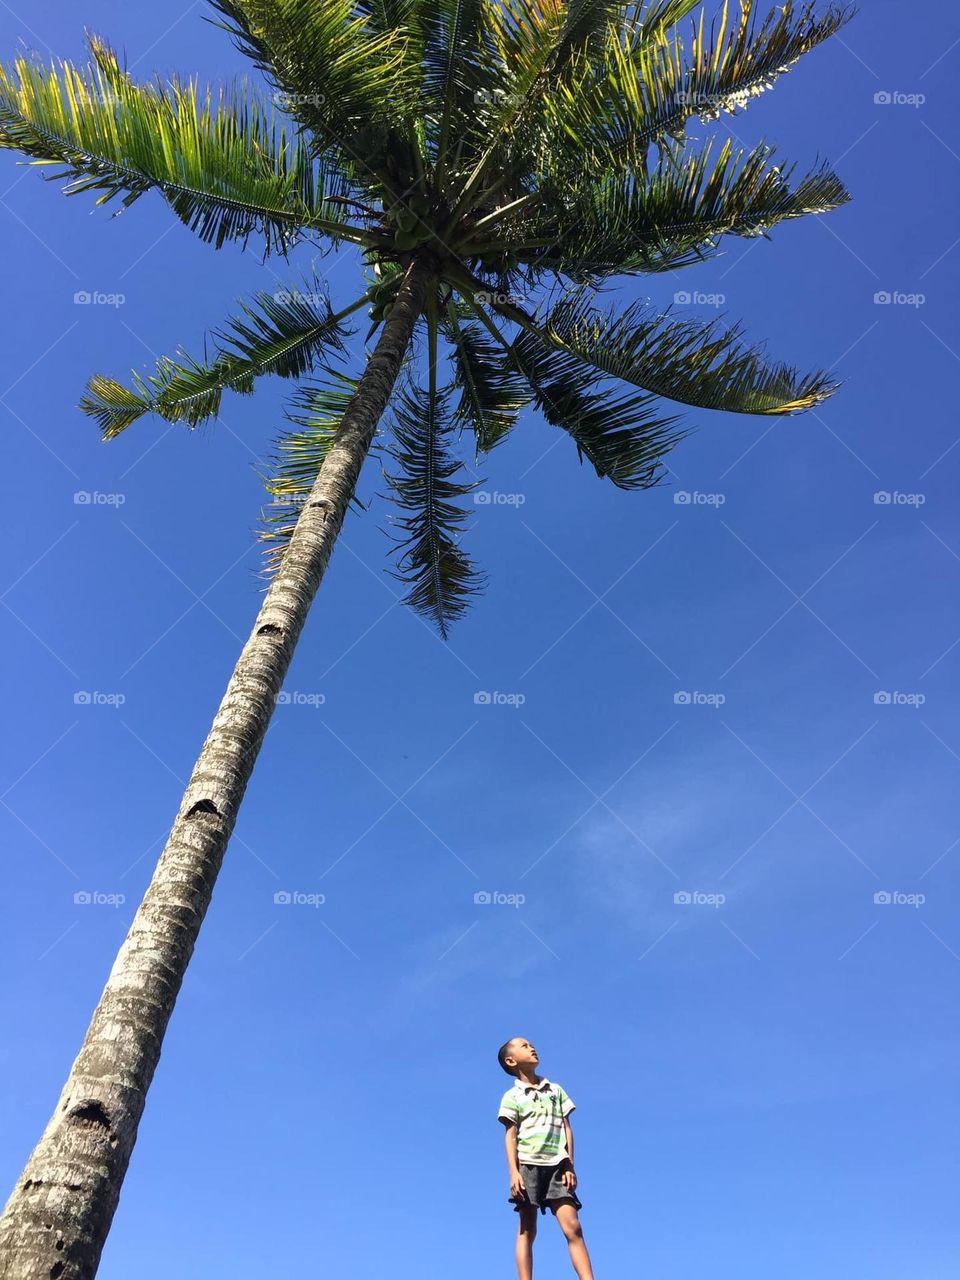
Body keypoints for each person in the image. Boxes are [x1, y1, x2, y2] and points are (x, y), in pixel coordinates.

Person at [496, 1036, 596, 1280]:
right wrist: (514, 1172)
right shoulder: (512, 1096)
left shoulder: (556, 1090)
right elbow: (511, 1136)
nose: (532, 1047)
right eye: (524, 1045)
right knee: (527, 1229)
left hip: (557, 1166)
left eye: (531, 1044)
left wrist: (569, 1164)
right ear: (511, 1061)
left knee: (573, 1226)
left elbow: (567, 1128)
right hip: (528, 1164)